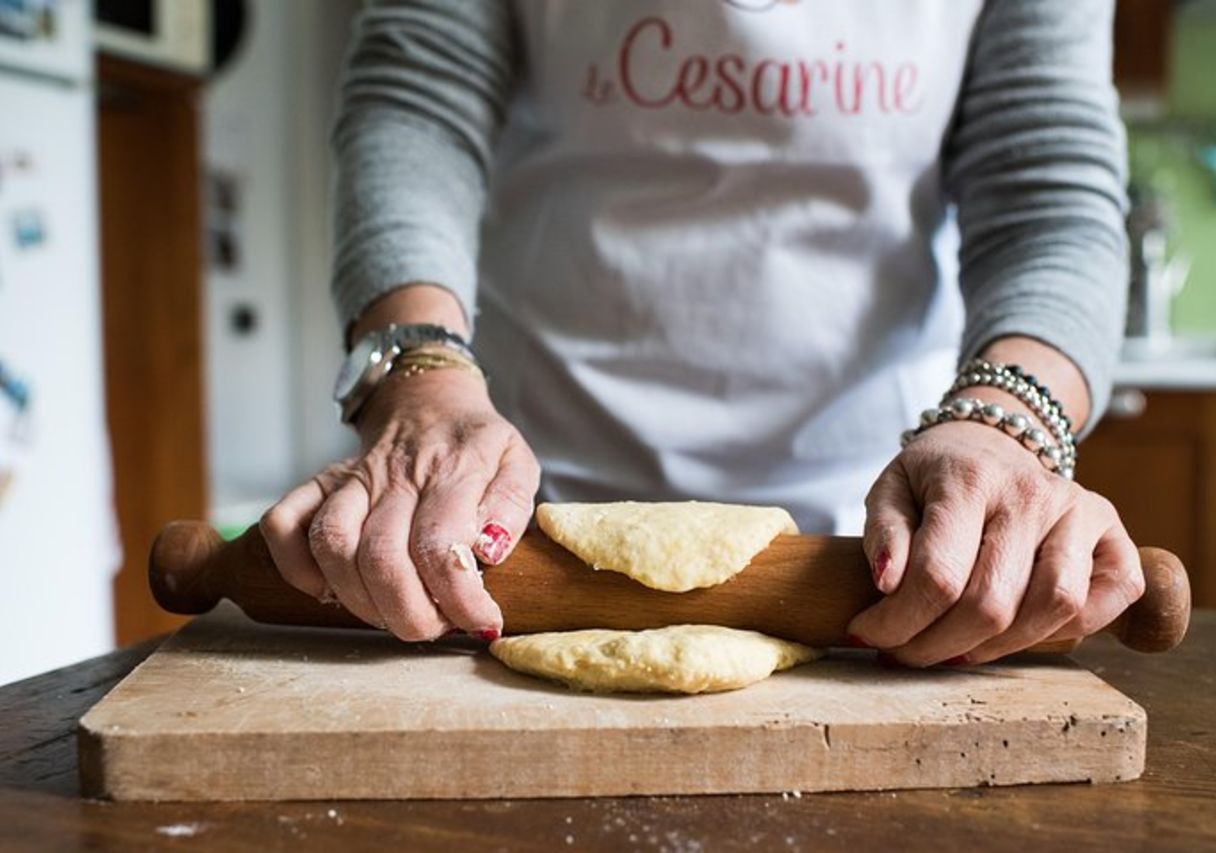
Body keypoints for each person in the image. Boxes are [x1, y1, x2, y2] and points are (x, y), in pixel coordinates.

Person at [261, 0, 1144, 667]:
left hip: (882, 539)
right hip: (512, 521)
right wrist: (420, 371)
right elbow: (418, 98)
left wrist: (1004, 423)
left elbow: (1048, 190)